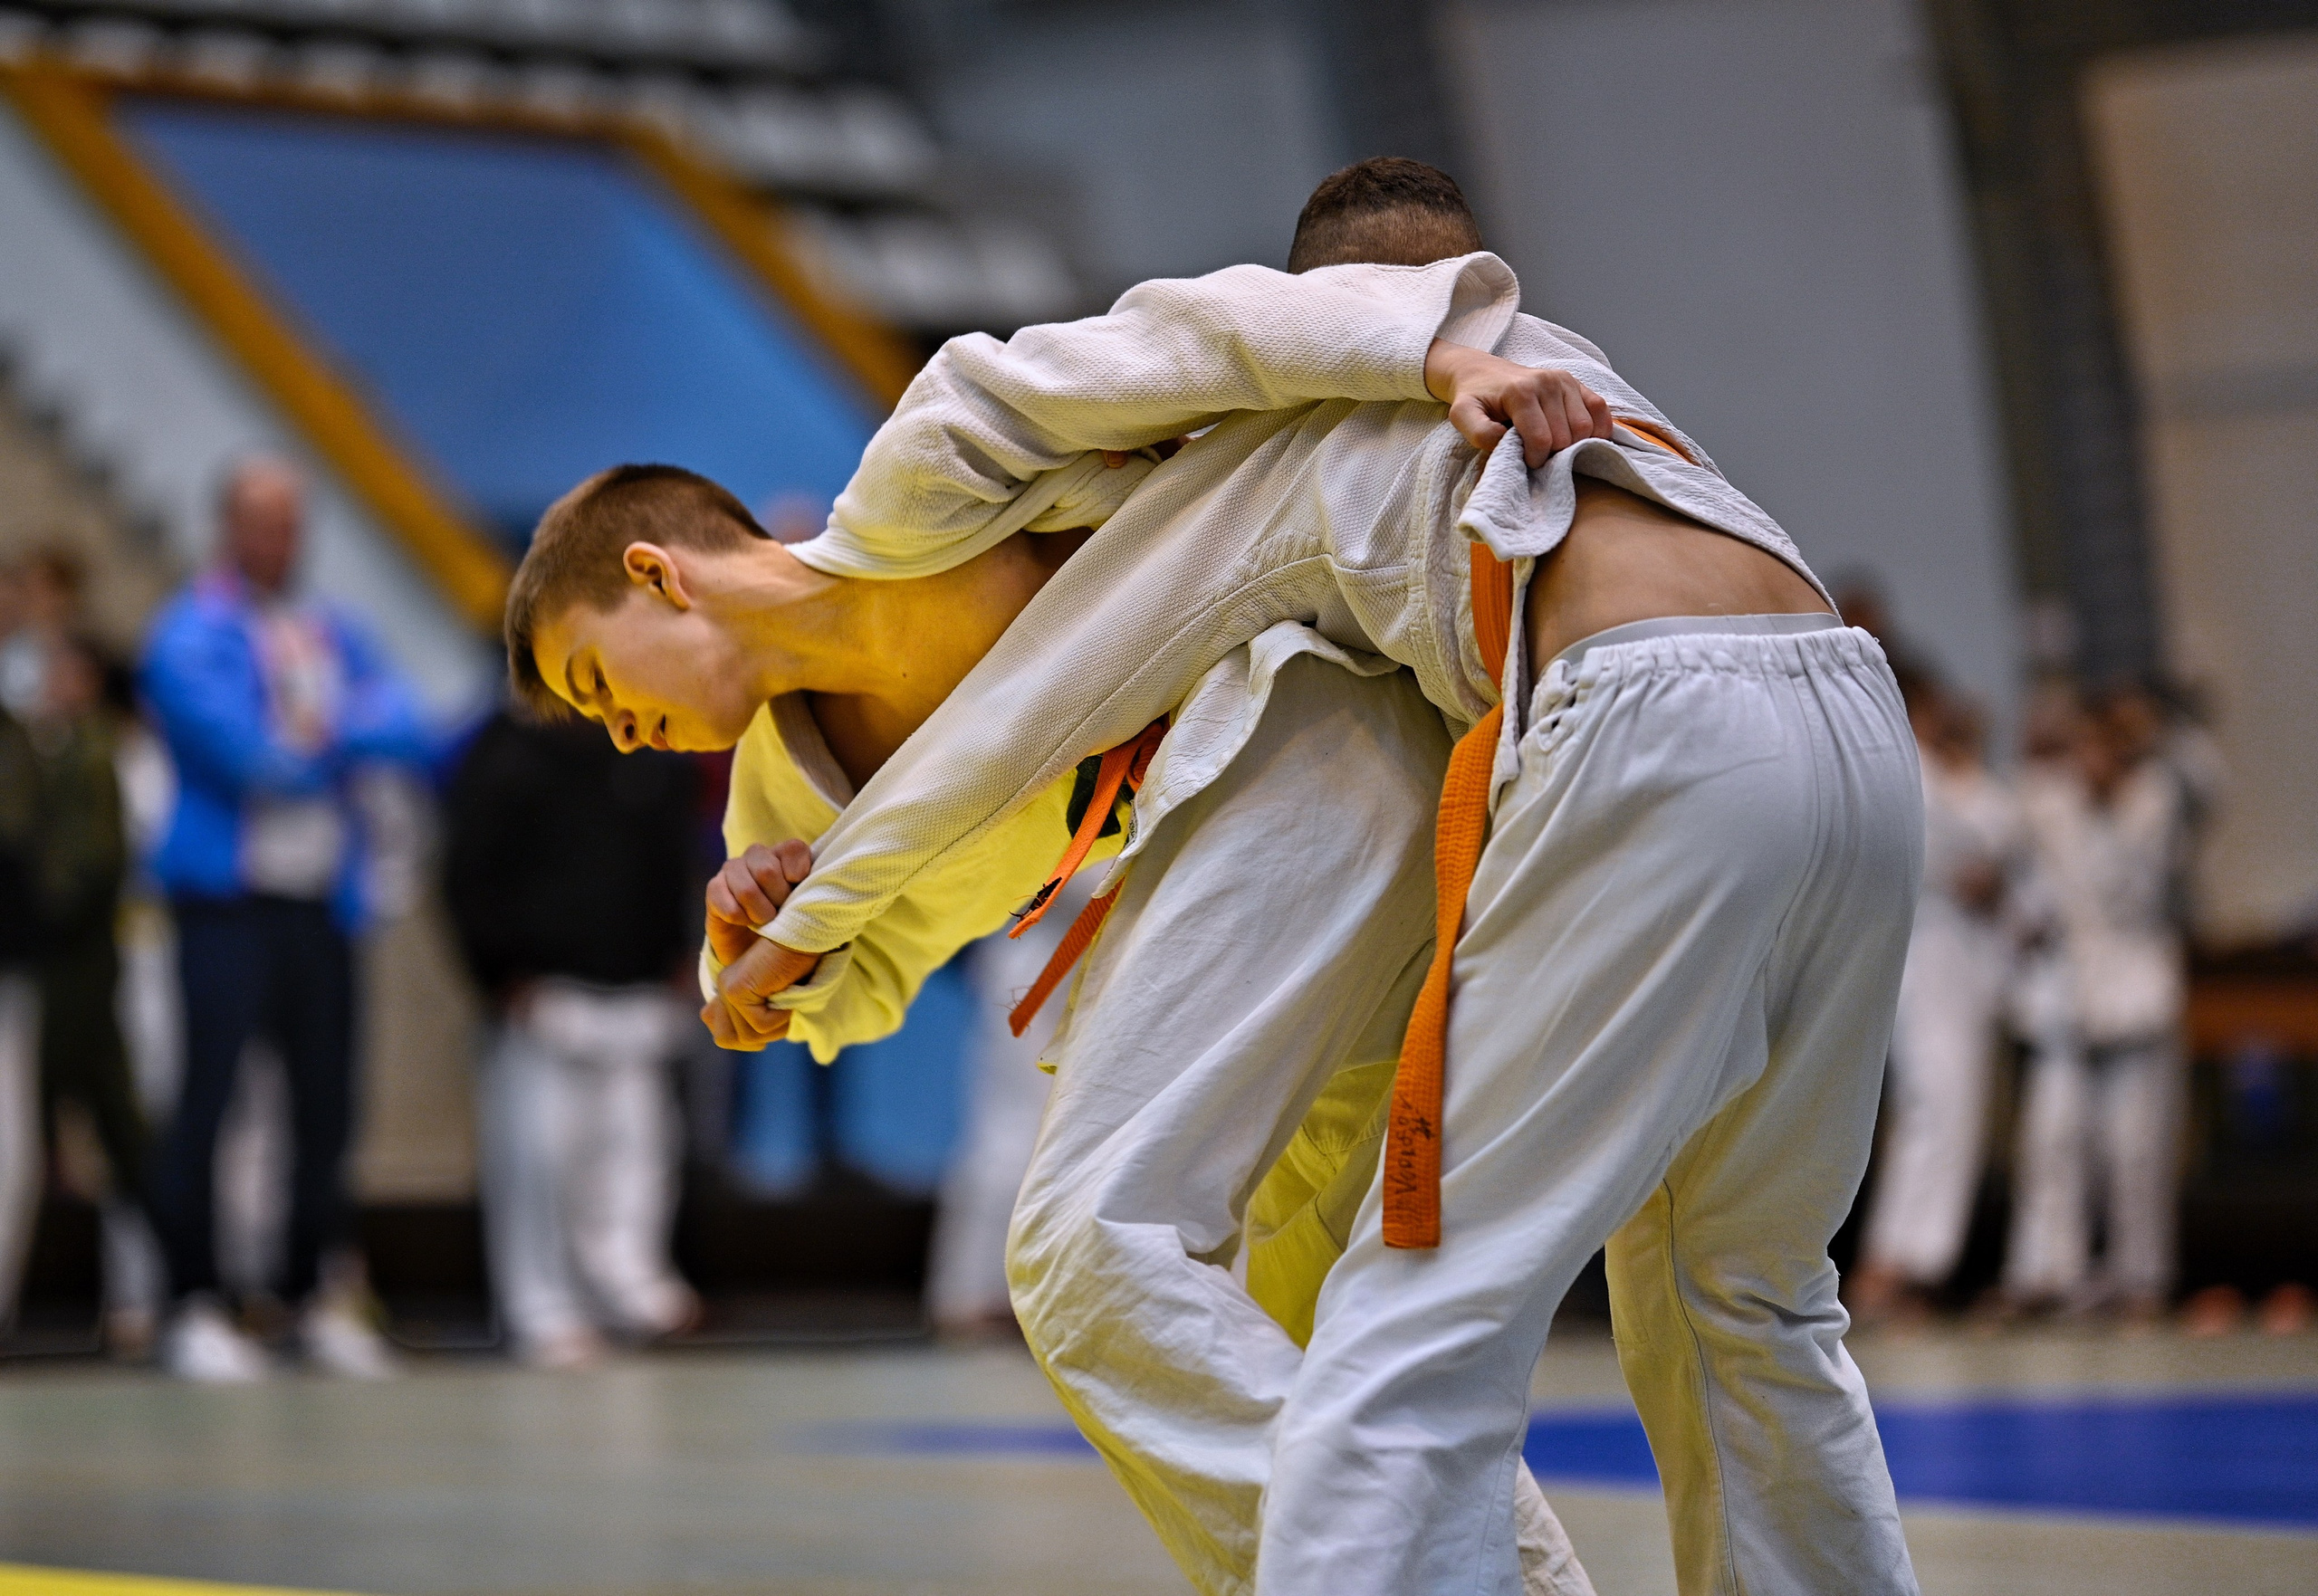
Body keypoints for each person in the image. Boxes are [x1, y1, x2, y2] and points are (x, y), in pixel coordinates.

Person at [684, 158, 1920, 1594]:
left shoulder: (1283, 441)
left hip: (1646, 729)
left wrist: (816, 921)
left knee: (1413, 1320)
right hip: (1851, 723)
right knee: (1749, 1298)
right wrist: (808, 940)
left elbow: (1031, 709)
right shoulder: (1586, 377)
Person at [139, 456, 433, 1381]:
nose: (281, 542)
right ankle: (192, 1301)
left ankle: (313, 1293)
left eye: (293, 523)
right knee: (210, 1102)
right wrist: (337, 737)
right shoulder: (190, 631)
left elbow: (410, 724)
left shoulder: (328, 629)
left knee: (325, 1107)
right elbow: (249, 757)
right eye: (263, 523)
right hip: (224, 907)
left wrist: (326, 732)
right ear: (228, 527)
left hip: (317, 905)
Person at [443, 702, 704, 1369]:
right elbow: (466, 870)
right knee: (539, 1158)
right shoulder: (503, 752)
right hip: (543, 994)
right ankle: (542, 1305)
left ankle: (631, 1282)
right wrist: (498, 972)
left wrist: (681, 951)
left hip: (638, 985)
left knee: (639, 1153)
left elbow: (677, 852)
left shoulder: (649, 742)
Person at [2004, 686, 2191, 1324]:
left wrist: (2146, 745)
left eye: (2104, 749)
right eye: (2081, 747)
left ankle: (2140, 1278)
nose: (2091, 761)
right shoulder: (2046, 799)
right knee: (2053, 1139)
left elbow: (2139, 880)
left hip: (2137, 988)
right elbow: (2013, 842)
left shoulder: (2154, 799)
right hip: (2063, 993)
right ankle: (2052, 1273)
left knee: (2134, 1146)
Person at [1850, 679, 2021, 1325]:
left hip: (1951, 958)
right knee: (1939, 1102)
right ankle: (1905, 1262)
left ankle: (1905, 1260)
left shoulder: (1947, 774)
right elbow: (1975, 846)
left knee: (1943, 1107)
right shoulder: (1908, 765)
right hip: (1929, 949)